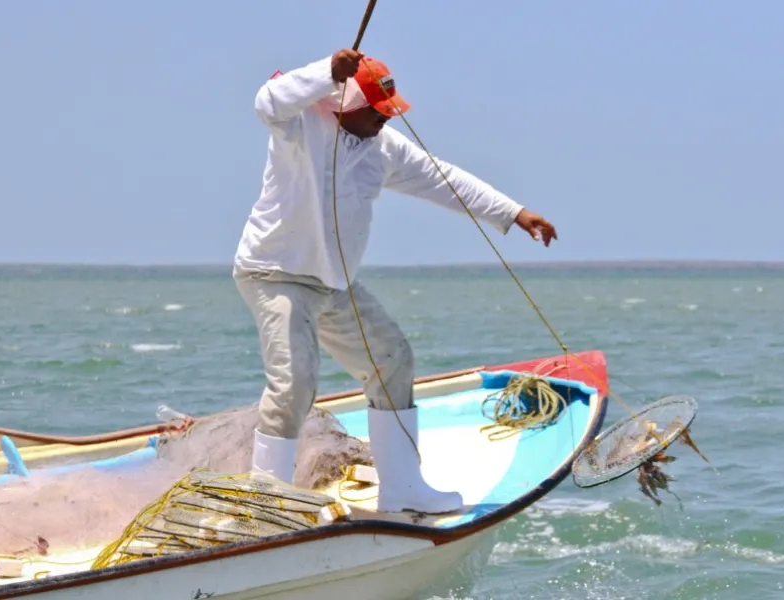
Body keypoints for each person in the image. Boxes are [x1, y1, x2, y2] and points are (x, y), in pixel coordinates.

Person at [232, 48, 558, 514]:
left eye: (390, 112)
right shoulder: (300, 125)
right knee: (295, 380)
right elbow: (268, 100)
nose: (386, 120)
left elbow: (445, 180)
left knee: (393, 360)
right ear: (348, 105)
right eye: (378, 112)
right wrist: (327, 71)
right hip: (276, 274)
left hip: (334, 285)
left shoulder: (385, 149)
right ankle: (266, 503)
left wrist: (513, 213)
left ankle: (404, 487)